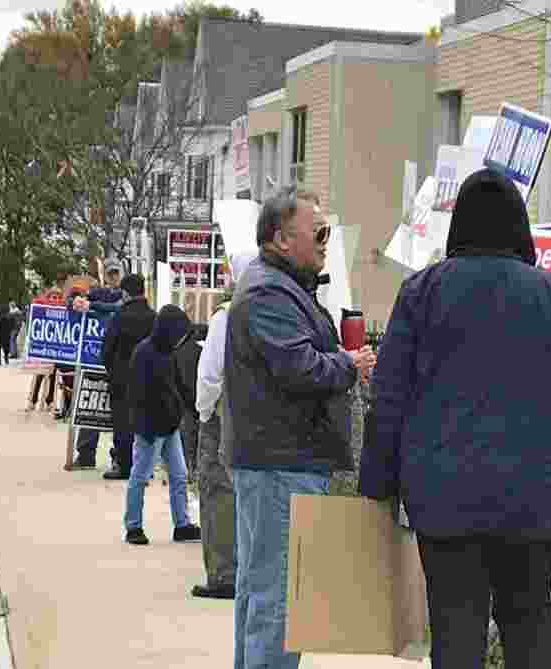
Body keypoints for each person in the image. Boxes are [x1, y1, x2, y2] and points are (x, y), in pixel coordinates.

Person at [359, 169, 551, 669]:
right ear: (520, 226)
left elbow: (389, 397)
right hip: (533, 497)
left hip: (443, 496)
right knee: (530, 623)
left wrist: (378, 486)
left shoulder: (421, 292)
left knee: (455, 631)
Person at [225, 185, 375, 669]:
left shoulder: (277, 285)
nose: (326, 240)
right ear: (281, 239)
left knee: (261, 592)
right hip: (280, 464)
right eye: (320, 231)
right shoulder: (270, 290)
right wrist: (349, 364)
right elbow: (300, 368)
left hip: (277, 462)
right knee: (278, 602)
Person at [192, 252, 255, 600]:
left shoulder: (227, 316)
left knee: (217, 491)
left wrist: (204, 412)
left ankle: (223, 573)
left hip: (222, 416)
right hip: (256, 419)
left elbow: (210, 373)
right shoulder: (272, 311)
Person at [123, 303, 201, 546]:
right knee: (141, 476)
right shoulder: (144, 353)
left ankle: (182, 525)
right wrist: (142, 428)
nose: (180, 339)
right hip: (150, 429)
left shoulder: (169, 352)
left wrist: (194, 408)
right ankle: (133, 526)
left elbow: (178, 386)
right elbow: (136, 394)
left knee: (179, 476)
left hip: (170, 426)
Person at [69, 259, 126, 471]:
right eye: (110, 274)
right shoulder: (97, 293)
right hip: (93, 359)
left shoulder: (123, 296)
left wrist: (91, 306)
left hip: (116, 363)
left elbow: (117, 308)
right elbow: (75, 301)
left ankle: (117, 457)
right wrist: (78, 301)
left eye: (116, 274)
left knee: (117, 414)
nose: (113, 278)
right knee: (89, 406)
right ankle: (85, 454)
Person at [100, 274, 156, 479]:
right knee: (145, 424)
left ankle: (124, 466)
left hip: (122, 381)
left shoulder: (119, 317)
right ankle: (144, 468)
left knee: (122, 424)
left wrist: (113, 370)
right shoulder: (154, 317)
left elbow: (106, 350)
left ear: (125, 293)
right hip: (149, 381)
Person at [174, 321, 208, 480]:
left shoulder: (180, 350)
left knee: (187, 438)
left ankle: (189, 469)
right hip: (204, 401)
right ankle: (199, 470)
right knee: (203, 440)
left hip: (185, 403)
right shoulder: (208, 351)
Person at [0, 302, 13, 366]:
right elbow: (12, 325)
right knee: (6, 346)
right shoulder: (9, 316)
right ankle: (6, 358)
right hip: (6, 333)